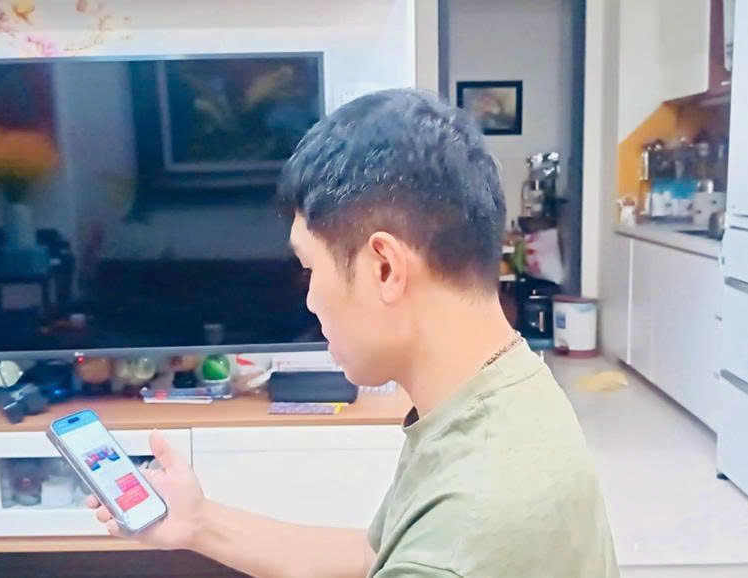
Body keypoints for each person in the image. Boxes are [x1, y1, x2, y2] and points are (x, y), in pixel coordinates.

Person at [87, 89, 619, 578]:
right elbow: (372, 556)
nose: (310, 300)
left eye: (310, 269)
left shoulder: (465, 529)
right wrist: (198, 522)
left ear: (384, 267)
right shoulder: (504, 385)